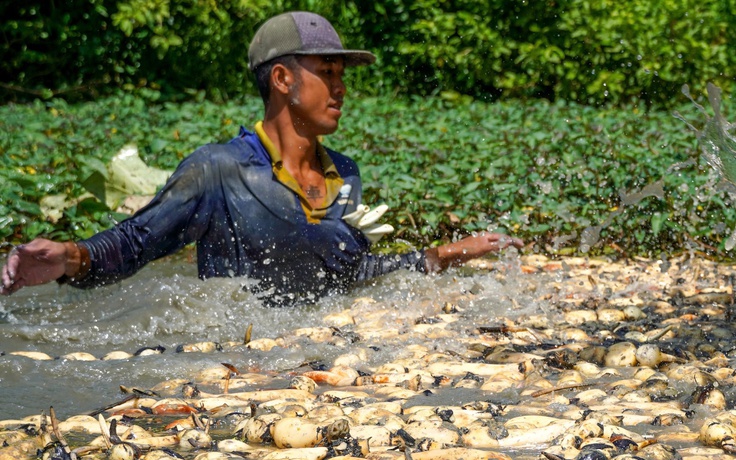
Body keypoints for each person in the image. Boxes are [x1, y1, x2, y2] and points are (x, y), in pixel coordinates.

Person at [0, 11, 523, 304]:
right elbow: (136, 243)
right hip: (237, 362)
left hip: (319, 356)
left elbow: (346, 274)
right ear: (282, 78)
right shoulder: (218, 171)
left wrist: (435, 259)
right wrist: (71, 257)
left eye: (344, 75)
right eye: (328, 71)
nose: (341, 89)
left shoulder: (345, 173)